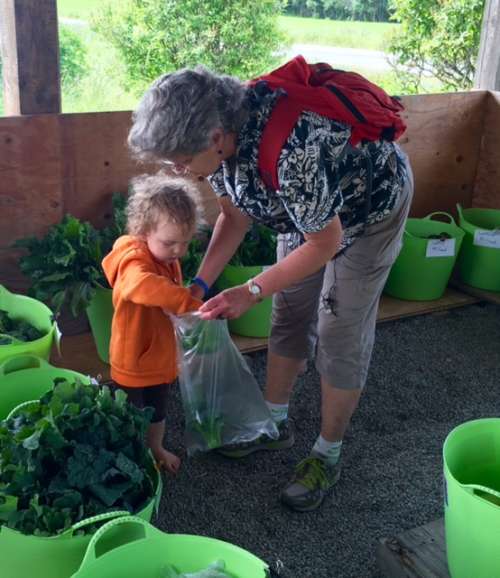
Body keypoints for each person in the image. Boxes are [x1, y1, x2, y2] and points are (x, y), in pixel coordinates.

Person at [127, 64, 414, 511]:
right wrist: (201, 283)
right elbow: (235, 216)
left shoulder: (291, 150)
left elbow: (327, 241)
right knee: (291, 312)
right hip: (306, 213)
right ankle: (274, 423)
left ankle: (326, 455)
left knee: (339, 328)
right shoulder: (220, 150)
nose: (177, 170)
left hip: (368, 209)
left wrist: (251, 290)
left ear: (216, 136)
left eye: (180, 159)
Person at [102, 173, 202, 474]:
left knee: (158, 410)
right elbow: (143, 286)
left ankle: (155, 447)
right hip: (134, 358)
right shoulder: (133, 261)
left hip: (158, 356)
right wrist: (188, 303)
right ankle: (132, 457)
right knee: (131, 415)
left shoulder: (165, 254)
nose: (178, 251)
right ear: (144, 230)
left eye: (185, 243)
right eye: (170, 243)